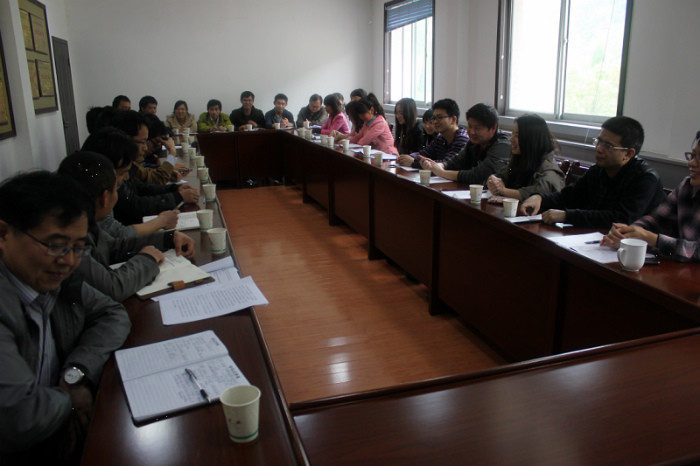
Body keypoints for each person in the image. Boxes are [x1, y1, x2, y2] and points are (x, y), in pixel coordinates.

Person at [0, 171, 130, 465]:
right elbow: (20, 415)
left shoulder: (55, 283)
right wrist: (68, 400)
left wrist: (76, 373)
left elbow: (112, 313)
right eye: (55, 245)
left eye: (78, 247)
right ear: (3, 234)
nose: (69, 261)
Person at [58, 151, 195, 301]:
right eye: (116, 188)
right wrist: (147, 259)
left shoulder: (85, 222)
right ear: (105, 198)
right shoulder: (70, 240)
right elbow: (113, 288)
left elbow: (114, 246)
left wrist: (167, 238)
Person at [520, 116, 667, 227]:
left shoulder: (645, 178)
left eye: (608, 146)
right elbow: (569, 197)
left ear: (628, 154)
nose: (599, 149)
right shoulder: (598, 170)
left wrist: (567, 216)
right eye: (599, 141)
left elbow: (622, 219)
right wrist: (539, 198)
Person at [601, 131, 700, 262]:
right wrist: (627, 233)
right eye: (692, 156)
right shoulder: (686, 187)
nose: (691, 163)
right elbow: (656, 220)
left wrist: (654, 239)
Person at [81, 126, 179, 238]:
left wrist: (175, 190)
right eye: (142, 142)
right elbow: (117, 235)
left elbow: (141, 187)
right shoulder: (96, 196)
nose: (145, 147)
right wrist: (162, 221)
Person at [421, 103, 510, 184]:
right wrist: (439, 166)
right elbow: (456, 162)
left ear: (493, 128)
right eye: (469, 126)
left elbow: (478, 175)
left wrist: (442, 173)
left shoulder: (503, 145)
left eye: (477, 128)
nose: (471, 132)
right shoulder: (474, 142)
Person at [487, 114, 565, 200]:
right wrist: (493, 180)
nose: (511, 139)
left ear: (532, 139)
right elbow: (500, 176)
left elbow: (541, 193)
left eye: (517, 135)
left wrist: (504, 191)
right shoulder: (524, 159)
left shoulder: (549, 168)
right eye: (512, 134)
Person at [397, 98, 468, 168]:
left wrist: (414, 162)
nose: (435, 121)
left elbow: (446, 164)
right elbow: (424, 153)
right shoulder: (440, 137)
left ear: (453, 120)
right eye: (434, 118)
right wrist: (407, 158)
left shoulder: (462, 139)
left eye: (440, 117)